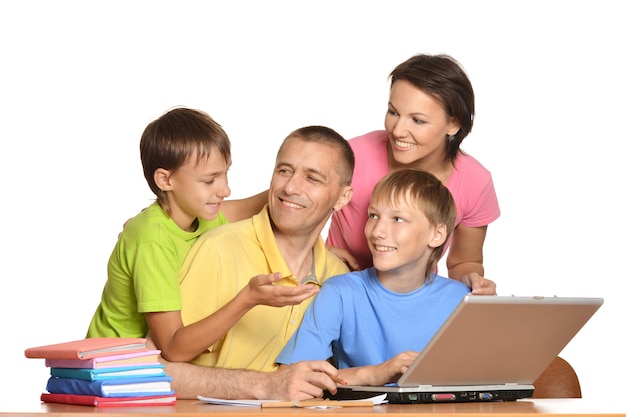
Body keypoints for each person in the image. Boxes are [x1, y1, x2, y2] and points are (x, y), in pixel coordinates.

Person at [159, 125, 355, 400]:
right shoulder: (218, 249)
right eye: (284, 170)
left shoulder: (338, 276)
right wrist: (264, 385)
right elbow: (153, 367)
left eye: (312, 178)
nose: (289, 187)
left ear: (343, 197)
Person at [86, 107, 268, 362]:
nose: (225, 189)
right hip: (112, 369)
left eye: (226, 173)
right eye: (209, 180)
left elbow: (255, 206)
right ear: (165, 180)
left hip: (153, 367)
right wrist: (247, 299)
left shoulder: (201, 215)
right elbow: (172, 347)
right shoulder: (153, 241)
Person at [277, 169, 471, 386]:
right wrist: (375, 374)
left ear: (436, 235)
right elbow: (291, 378)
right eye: (373, 215)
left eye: (398, 219)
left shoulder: (461, 299)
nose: (377, 231)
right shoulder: (340, 292)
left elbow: (484, 378)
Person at [326, 53, 500, 295]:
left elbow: (463, 261)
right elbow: (284, 204)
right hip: (336, 292)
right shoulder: (352, 154)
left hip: (410, 303)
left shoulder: (475, 182)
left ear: (453, 123)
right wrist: (317, 253)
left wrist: (472, 278)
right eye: (393, 112)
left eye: (418, 120)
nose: (398, 131)